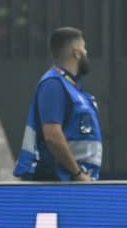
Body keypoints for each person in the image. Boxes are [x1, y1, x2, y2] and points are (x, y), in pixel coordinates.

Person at [14, 27, 101, 181]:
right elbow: (52, 136)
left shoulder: (72, 88)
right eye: (84, 48)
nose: (86, 53)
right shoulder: (53, 84)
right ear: (76, 52)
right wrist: (77, 174)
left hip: (73, 180)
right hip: (57, 181)